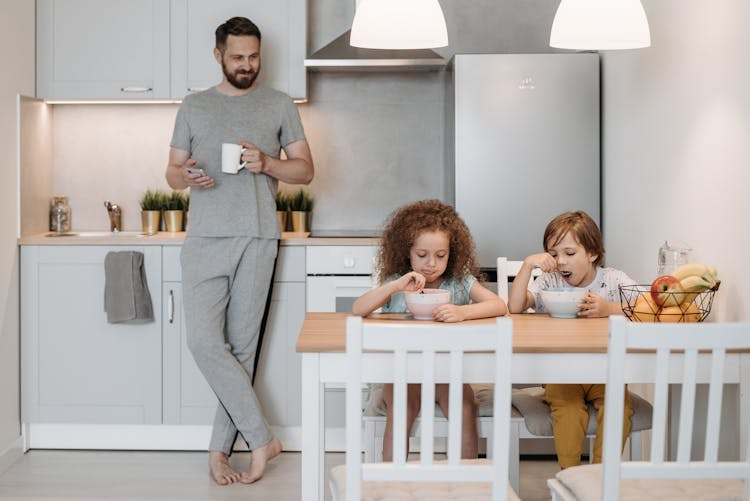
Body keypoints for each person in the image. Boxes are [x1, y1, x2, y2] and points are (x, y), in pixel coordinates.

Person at [165, 16, 314, 485]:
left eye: (253, 57)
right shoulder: (194, 105)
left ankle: (218, 452)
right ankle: (261, 436)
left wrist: (267, 162)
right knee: (205, 342)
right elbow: (170, 172)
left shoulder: (279, 104)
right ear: (218, 56)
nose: (247, 65)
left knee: (242, 351)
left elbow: (306, 170)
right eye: (237, 58)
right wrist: (184, 176)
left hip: (257, 238)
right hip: (205, 238)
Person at [352, 199, 507, 461]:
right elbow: (358, 309)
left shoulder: (459, 282)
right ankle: (392, 481)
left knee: (464, 408)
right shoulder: (399, 283)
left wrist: (462, 312)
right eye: (422, 255)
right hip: (404, 370)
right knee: (401, 408)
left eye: (441, 255)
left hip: (448, 370)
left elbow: (499, 305)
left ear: (452, 252)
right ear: (407, 252)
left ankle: (464, 481)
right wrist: (394, 286)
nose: (431, 263)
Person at [507, 210, 636, 469]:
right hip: (561, 373)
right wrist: (527, 266)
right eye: (553, 254)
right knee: (567, 411)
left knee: (618, 409)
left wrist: (608, 309)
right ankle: (570, 476)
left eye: (569, 253)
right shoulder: (549, 280)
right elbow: (515, 307)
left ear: (592, 254)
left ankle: (601, 478)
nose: (561, 261)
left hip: (605, 372)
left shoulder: (613, 280)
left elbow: (645, 306)